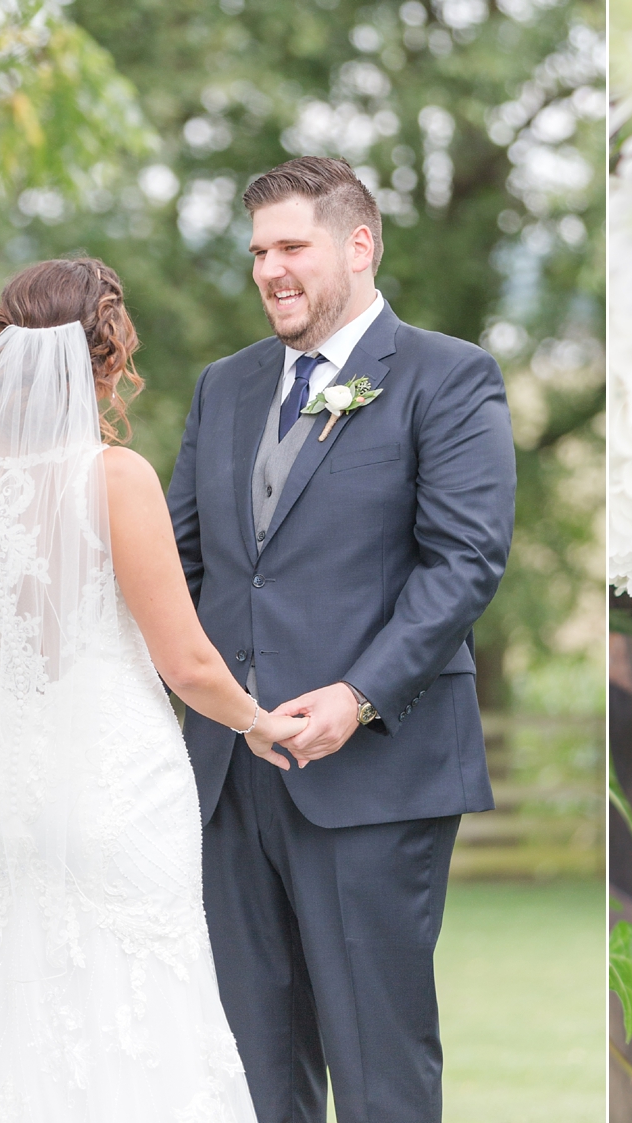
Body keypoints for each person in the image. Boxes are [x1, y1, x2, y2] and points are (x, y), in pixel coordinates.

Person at [0, 258, 307, 1120]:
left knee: (7, 1008)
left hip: (4, 794)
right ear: (107, 355)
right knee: (139, 1007)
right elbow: (184, 660)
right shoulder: (114, 477)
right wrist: (259, 722)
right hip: (115, 788)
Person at [167, 156, 515, 1122]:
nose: (270, 270)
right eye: (257, 252)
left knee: (378, 1064)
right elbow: (178, 565)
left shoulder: (448, 377)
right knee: (252, 1064)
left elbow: (465, 562)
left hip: (374, 777)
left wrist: (357, 696)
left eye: (291, 246)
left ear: (359, 246)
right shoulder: (224, 386)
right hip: (230, 777)